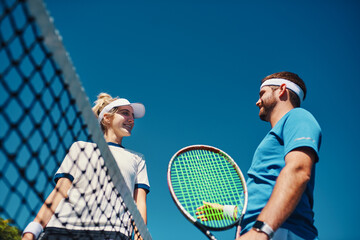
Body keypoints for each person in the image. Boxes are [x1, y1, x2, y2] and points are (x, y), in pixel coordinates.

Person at [196, 71, 321, 240]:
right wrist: (226, 210)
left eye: (262, 94)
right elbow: (263, 195)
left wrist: (262, 229)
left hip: (281, 230)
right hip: (261, 230)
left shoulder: (298, 116)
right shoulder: (272, 137)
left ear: (282, 89)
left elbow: (298, 170)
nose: (257, 101)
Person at [22, 93, 150, 240]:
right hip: (62, 229)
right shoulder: (80, 147)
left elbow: (139, 203)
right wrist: (32, 230)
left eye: (133, 116)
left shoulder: (137, 158)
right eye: (125, 113)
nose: (131, 120)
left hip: (114, 233)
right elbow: (60, 191)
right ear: (107, 118)